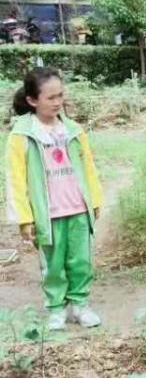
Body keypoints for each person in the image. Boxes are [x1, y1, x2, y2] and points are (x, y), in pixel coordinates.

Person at [5, 68, 103, 330]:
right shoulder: (22, 135)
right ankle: (57, 309)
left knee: (81, 261)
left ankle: (80, 305)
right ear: (32, 100)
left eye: (60, 95)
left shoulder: (73, 130)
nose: (58, 102)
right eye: (50, 98)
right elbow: (15, 179)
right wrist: (24, 218)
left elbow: (88, 167)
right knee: (53, 265)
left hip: (77, 209)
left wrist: (93, 200)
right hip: (47, 215)